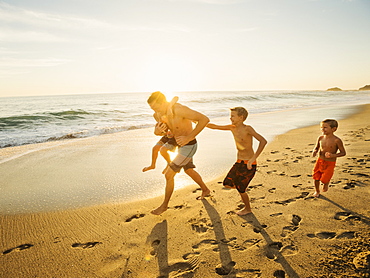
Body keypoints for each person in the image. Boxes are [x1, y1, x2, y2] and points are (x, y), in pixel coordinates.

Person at [147, 91, 211, 215]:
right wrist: (157, 132)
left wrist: (189, 137)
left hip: (189, 145)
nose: (156, 111)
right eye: (152, 108)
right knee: (189, 170)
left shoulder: (179, 110)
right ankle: (205, 190)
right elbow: (166, 132)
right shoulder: (157, 115)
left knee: (169, 175)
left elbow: (204, 119)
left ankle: (164, 206)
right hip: (176, 141)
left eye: (156, 107)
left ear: (164, 102)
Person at [207, 107, 267, 215]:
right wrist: (199, 122)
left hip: (249, 164)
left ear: (241, 118)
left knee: (241, 189)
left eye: (233, 116)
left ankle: (247, 208)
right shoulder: (232, 128)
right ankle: (242, 189)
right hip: (239, 162)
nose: (230, 118)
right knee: (227, 183)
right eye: (230, 116)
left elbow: (263, 141)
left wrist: (253, 159)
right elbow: (215, 126)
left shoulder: (248, 129)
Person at [142, 96, 179, 173]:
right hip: (168, 134)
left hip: (176, 134)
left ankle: (169, 164)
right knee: (155, 148)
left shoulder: (168, 108)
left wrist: (169, 108)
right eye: (151, 106)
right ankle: (153, 165)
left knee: (163, 150)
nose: (152, 108)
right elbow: (163, 129)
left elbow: (176, 97)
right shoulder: (155, 115)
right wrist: (159, 131)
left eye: (154, 106)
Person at [312, 119, 346, 197]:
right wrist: (314, 151)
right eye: (321, 127)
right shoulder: (320, 138)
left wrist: (333, 155)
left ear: (334, 129)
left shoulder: (337, 140)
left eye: (325, 127)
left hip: (330, 163)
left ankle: (326, 183)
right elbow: (316, 147)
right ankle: (317, 191)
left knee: (324, 179)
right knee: (316, 177)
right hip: (320, 161)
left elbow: (343, 153)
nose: (322, 129)